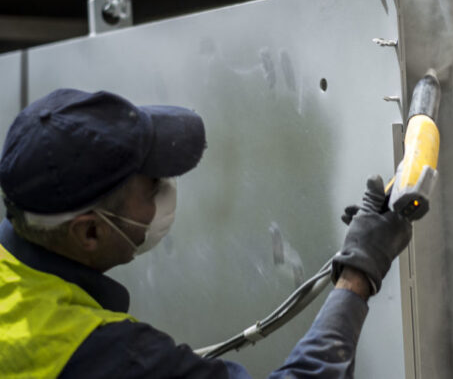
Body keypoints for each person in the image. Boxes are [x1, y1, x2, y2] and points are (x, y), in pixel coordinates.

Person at [0, 88, 413, 378]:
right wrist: (359, 273)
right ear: (89, 232)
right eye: (151, 185)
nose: (167, 189)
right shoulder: (104, 357)